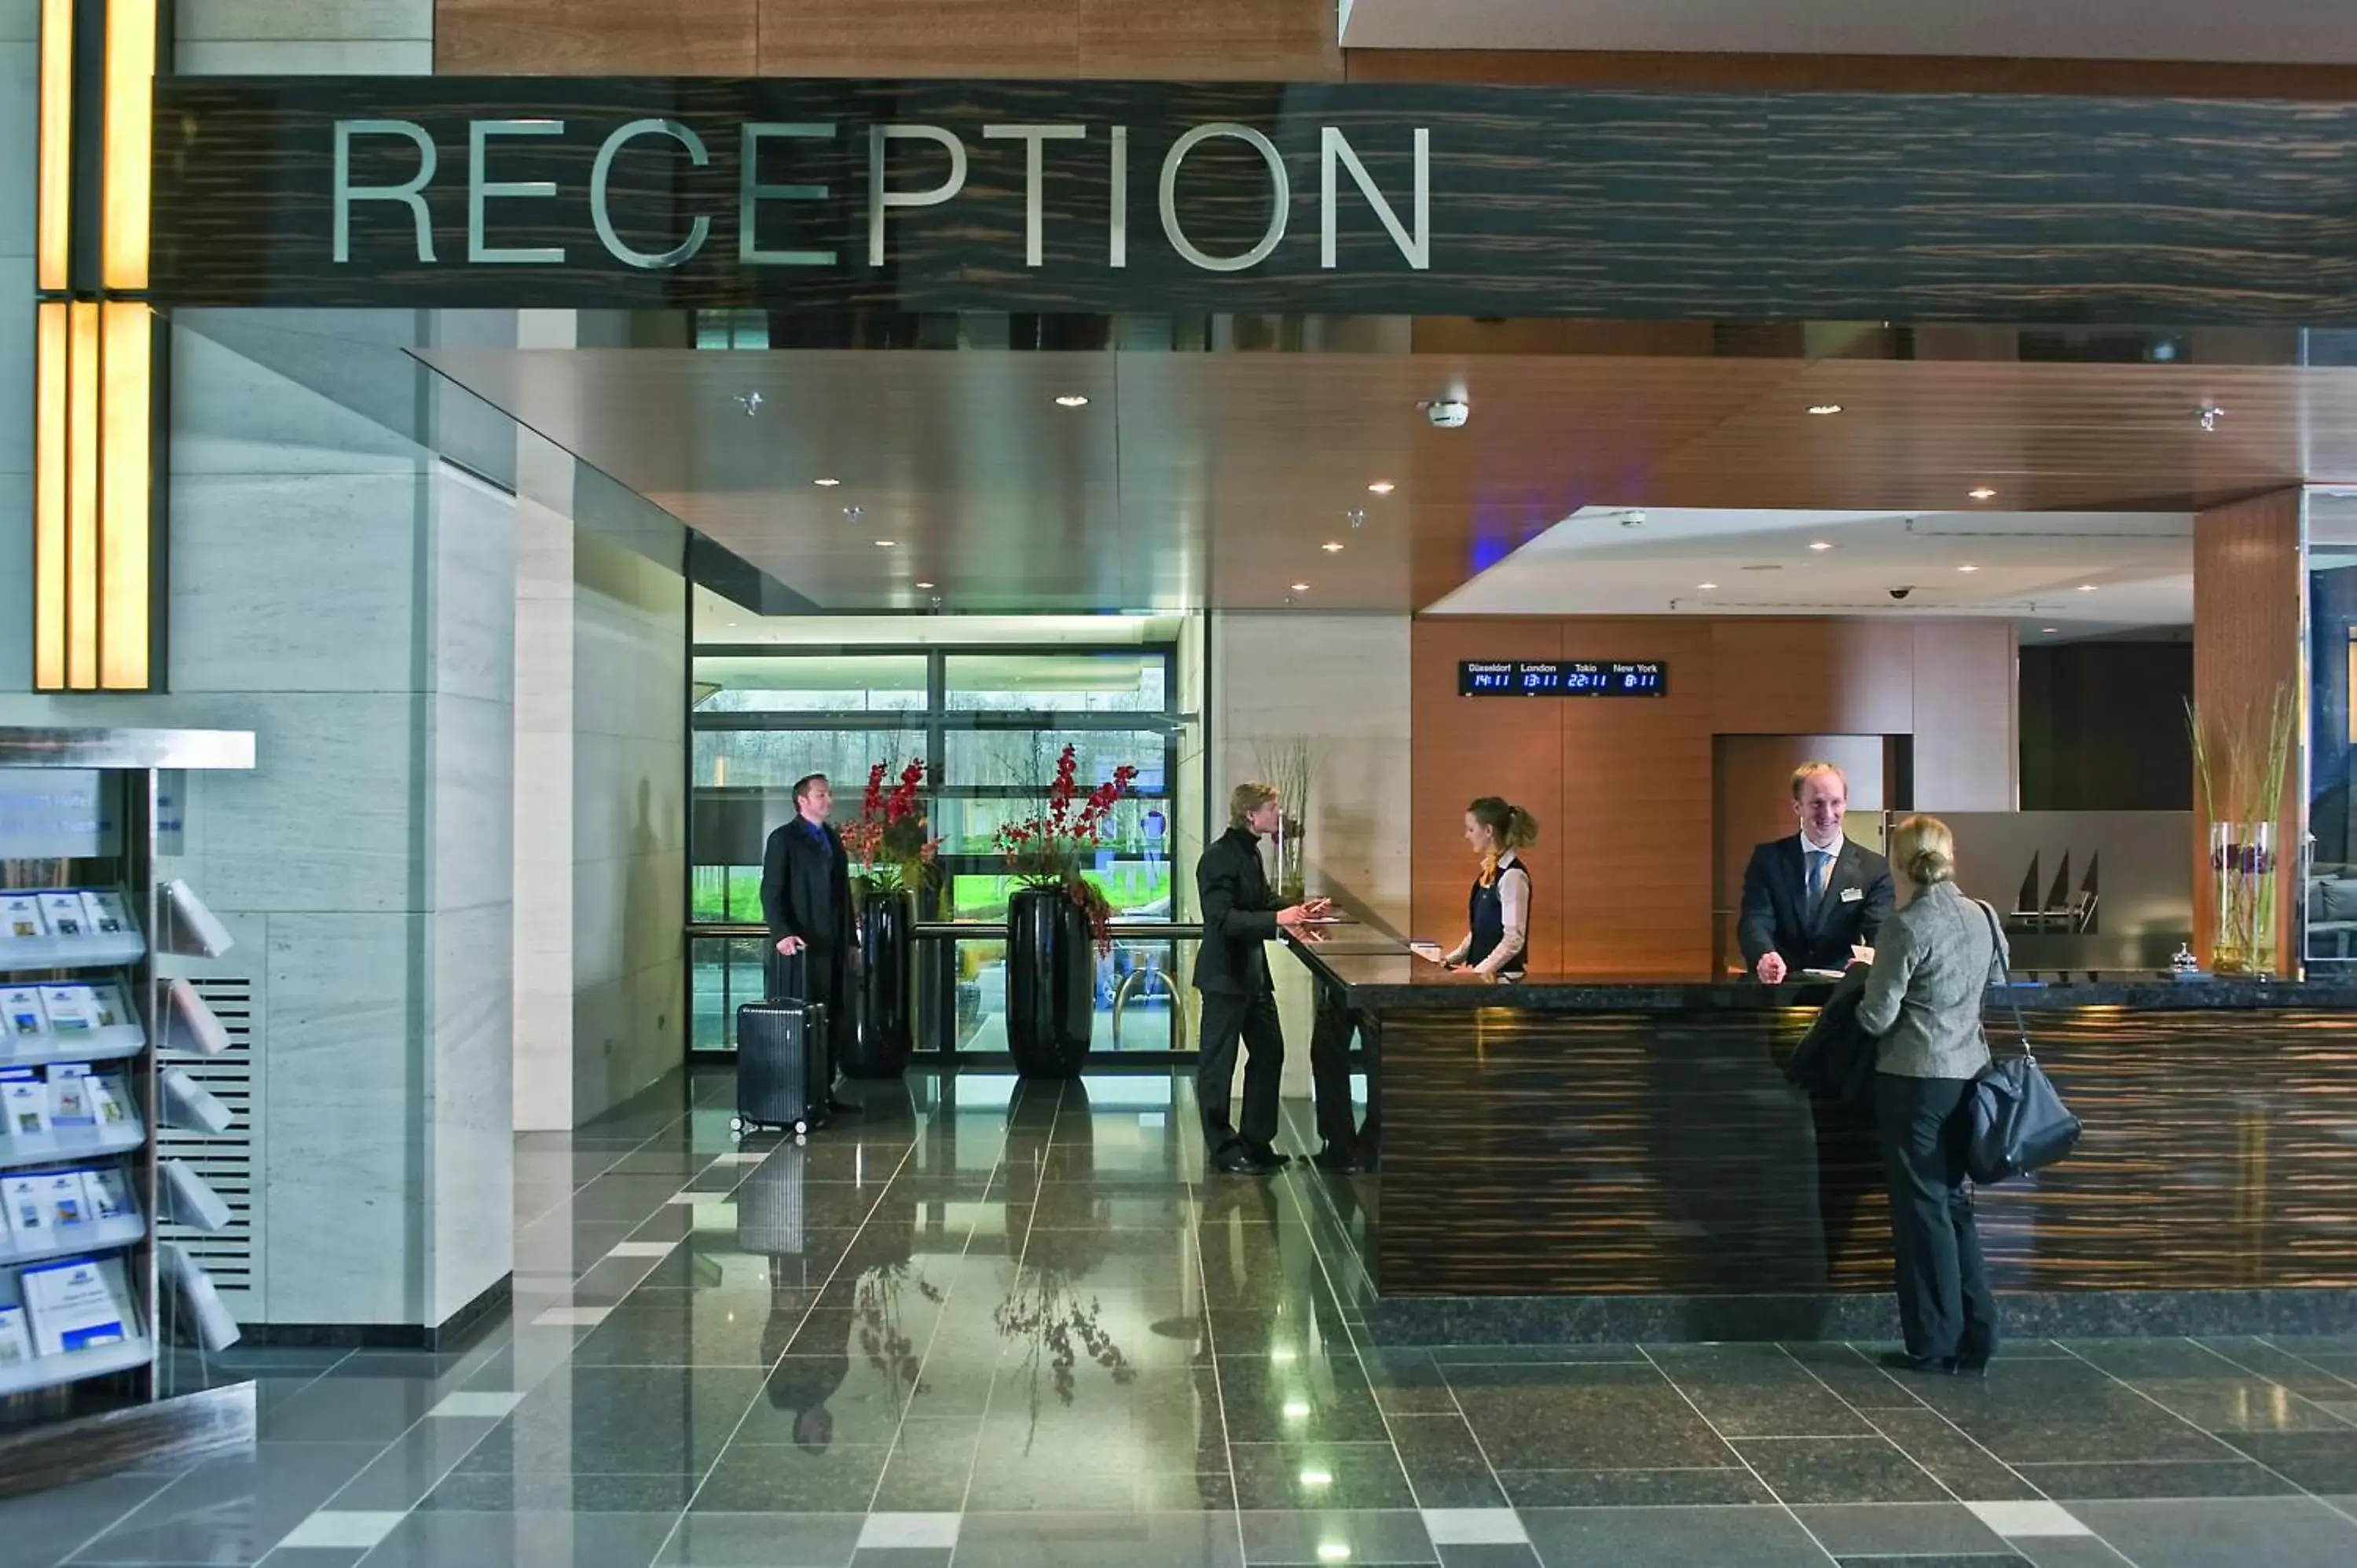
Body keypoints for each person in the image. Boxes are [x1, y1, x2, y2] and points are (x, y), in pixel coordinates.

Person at [1855, 812, 2004, 1376]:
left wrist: (1864, 975)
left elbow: (1876, 1016)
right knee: (1954, 1205)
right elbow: (1993, 980)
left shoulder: (1906, 924)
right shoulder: (1983, 916)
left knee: (1923, 1213)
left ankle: (1936, 1342)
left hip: (1914, 1082)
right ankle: (1979, 1330)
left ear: (1900, 863)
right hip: (1968, 1077)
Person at [1193, 782, 1329, 1175]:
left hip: (1252, 975)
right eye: (1272, 808)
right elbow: (1221, 919)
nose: (1278, 814)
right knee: (1218, 1066)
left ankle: (1256, 1141)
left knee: (1270, 1052)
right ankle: (1223, 1148)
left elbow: (1261, 903)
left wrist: (1300, 910)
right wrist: (1276, 920)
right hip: (1224, 978)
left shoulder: (1251, 854)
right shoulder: (1218, 857)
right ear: (1251, 815)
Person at [1738, 762, 1894, 984]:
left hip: (1842, 991)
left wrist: (1870, 960)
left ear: (1845, 804)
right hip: (1779, 986)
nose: (1827, 813)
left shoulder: (1874, 867)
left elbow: (1880, 929)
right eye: (1817, 803)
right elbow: (1755, 919)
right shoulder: (1768, 859)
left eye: (1836, 803)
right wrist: (1765, 954)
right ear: (1797, 807)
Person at [759, 772, 859, 1121]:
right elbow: (771, 891)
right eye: (821, 795)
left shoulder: (830, 838)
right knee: (802, 1021)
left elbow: (842, 896)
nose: (828, 800)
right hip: (802, 950)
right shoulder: (784, 839)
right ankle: (797, 1095)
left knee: (831, 1019)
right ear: (802, 801)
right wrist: (781, 933)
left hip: (832, 947)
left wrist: (851, 942)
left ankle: (824, 1093)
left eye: (829, 794)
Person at [1441, 797, 1539, 980]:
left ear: (1488, 831)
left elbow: (1513, 940)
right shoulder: (1489, 872)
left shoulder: (1513, 876)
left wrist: (1478, 971)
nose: (1467, 835)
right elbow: (1480, 930)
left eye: (1471, 829)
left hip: (1503, 982)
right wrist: (1450, 959)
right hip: (1486, 981)